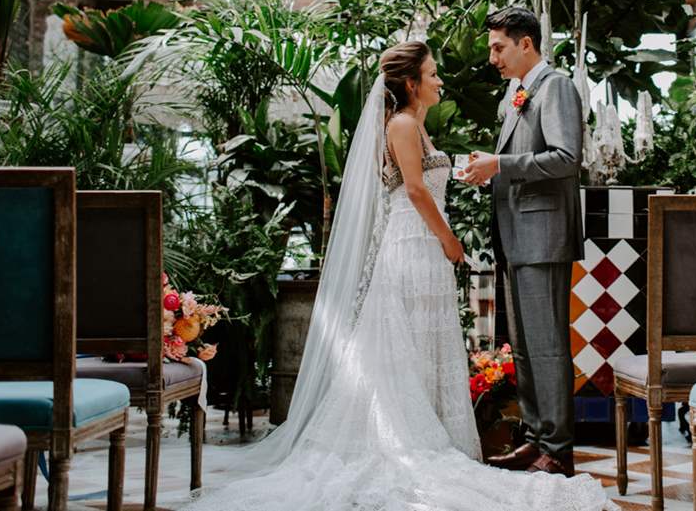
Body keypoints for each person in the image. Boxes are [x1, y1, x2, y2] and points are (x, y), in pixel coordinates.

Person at [182, 41, 613, 511]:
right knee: (404, 343)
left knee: (421, 345)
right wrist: (449, 240)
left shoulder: (419, 125)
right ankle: (408, 442)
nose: (440, 81)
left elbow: (426, 179)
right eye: (432, 74)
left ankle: (434, 435)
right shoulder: (403, 124)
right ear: (411, 83)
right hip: (411, 246)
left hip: (424, 248)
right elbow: (413, 190)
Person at [462, 7, 585, 477]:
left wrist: (501, 166)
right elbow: (514, 158)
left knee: (549, 344)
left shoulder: (554, 86)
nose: (493, 56)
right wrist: (488, 168)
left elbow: (566, 158)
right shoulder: (515, 91)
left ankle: (557, 447)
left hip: (543, 232)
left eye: (499, 47)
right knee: (528, 346)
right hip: (515, 232)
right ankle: (535, 439)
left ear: (526, 44)